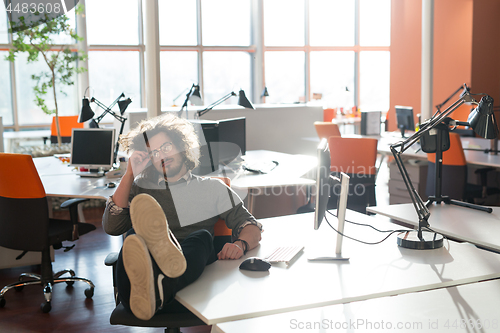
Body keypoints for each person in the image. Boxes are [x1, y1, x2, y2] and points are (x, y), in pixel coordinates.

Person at [102, 113, 262, 320]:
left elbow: (251, 226)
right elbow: (111, 227)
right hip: (137, 291)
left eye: (166, 147)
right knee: (134, 237)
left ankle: (163, 287)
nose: (162, 156)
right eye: (154, 152)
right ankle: (155, 287)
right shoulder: (139, 190)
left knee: (202, 238)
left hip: (191, 282)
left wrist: (240, 244)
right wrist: (129, 174)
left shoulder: (212, 188)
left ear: (182, 146)